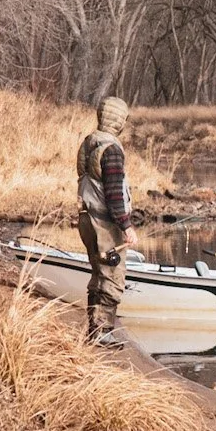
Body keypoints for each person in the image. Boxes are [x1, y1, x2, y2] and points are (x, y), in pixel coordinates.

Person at [76, 95, 136, 344]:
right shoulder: (112, 150)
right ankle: (103, 333)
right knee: (112, 276)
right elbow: (113, 194)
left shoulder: (90, 142)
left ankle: (94, 330)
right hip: (104, 224)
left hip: (87, 217)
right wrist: (127, 226)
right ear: (119, 120)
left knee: (98, 274)